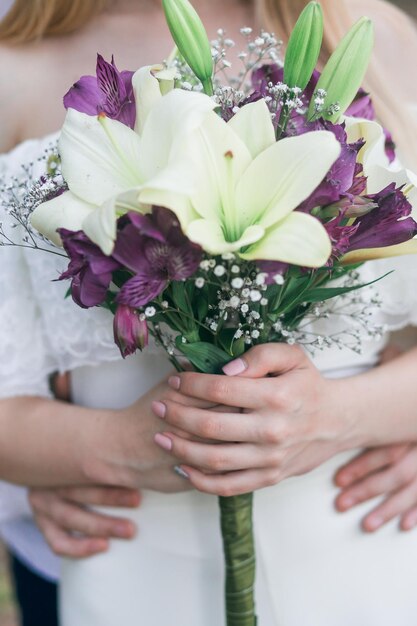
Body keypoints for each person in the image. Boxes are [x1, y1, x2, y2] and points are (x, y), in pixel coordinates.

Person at [1, 0, 417, 624]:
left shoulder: (367, 34)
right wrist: (103, 446)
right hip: (132, 562)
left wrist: (351, 416)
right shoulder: (15, 66)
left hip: (363, 542)